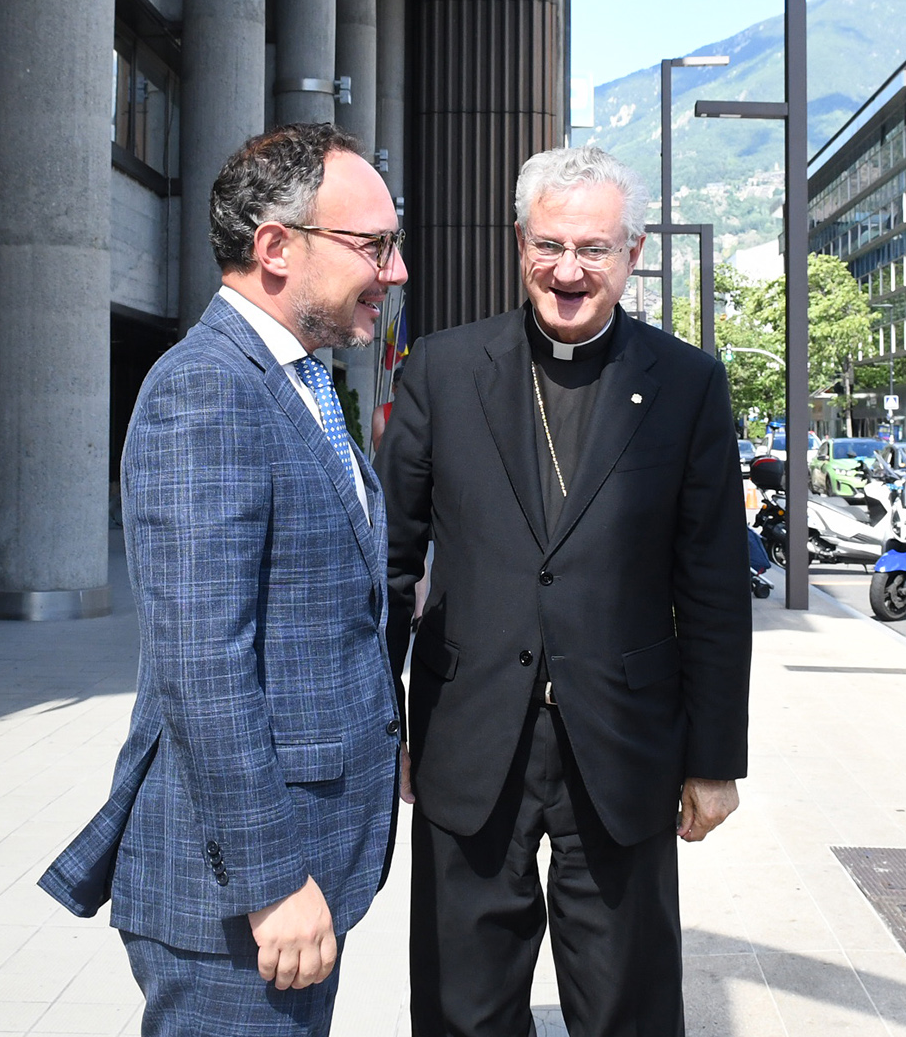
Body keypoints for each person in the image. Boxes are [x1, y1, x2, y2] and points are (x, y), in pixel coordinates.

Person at [40, 124, 409, 1036]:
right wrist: (272, 880)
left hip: (296, 867)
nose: (395, 272)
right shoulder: (207, 389)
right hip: (242, 897)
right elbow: (202, 664)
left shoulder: (293, 380)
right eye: (374, 246)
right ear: (276, 247)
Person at [378, 144, 752, 1037]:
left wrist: (714, 759)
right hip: (469, 740)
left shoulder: (687, 384)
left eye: (593, 248)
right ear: (520, 243)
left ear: (634, 251)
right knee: (462, 1011)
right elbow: (389, 562)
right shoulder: (440, 369)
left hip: (622, 748)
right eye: (549, 245)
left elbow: (712, 583)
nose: (569, 271)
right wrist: (381, 728)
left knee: (629, 1011)